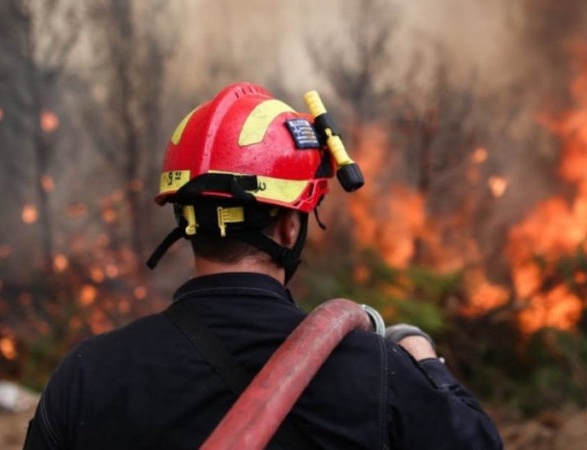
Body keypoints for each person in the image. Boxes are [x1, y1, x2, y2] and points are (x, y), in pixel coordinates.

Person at [23, 82, 504, 449]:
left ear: (185, 218)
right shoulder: (375, 374)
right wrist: (423, 359)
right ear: (290, 228)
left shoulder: (89, 376)